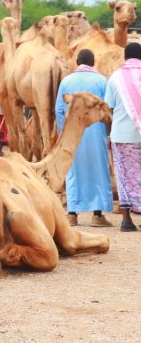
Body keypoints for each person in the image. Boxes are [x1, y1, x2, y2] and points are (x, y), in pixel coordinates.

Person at [56, 49, 113, 227]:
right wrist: (108, 132)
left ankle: (72, 214)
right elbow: (108, 109)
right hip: (97, 132)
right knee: (98, 169)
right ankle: (97, 215)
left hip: (73, 134)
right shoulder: (102, 81)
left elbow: (59, 110)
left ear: (77, 62)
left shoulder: (66, 81)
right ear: (93, 62)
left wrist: (62, 133)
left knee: (73, 170)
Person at [105, 42, 141, 232]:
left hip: (122, 134)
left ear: (125, 57)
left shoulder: (115, 77)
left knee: (124, 174)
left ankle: (126, 219)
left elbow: (108, 108)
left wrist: (108, 134)